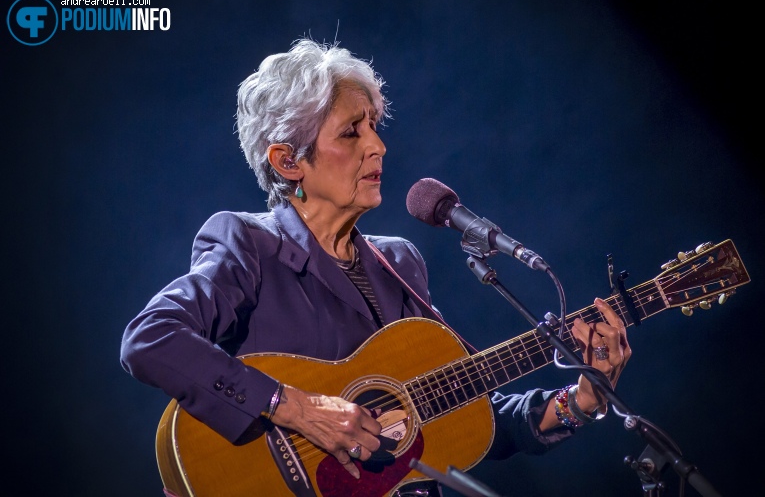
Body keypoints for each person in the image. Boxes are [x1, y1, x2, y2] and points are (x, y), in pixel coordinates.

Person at [120, 38, 631, 497]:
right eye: (350, 133)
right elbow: (150, 338)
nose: (378, 146)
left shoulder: (400, 263)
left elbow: (467, 415)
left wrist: (582, 399)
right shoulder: (248, 244)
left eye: (374, 126)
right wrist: (296, 407)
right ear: (287, 161)